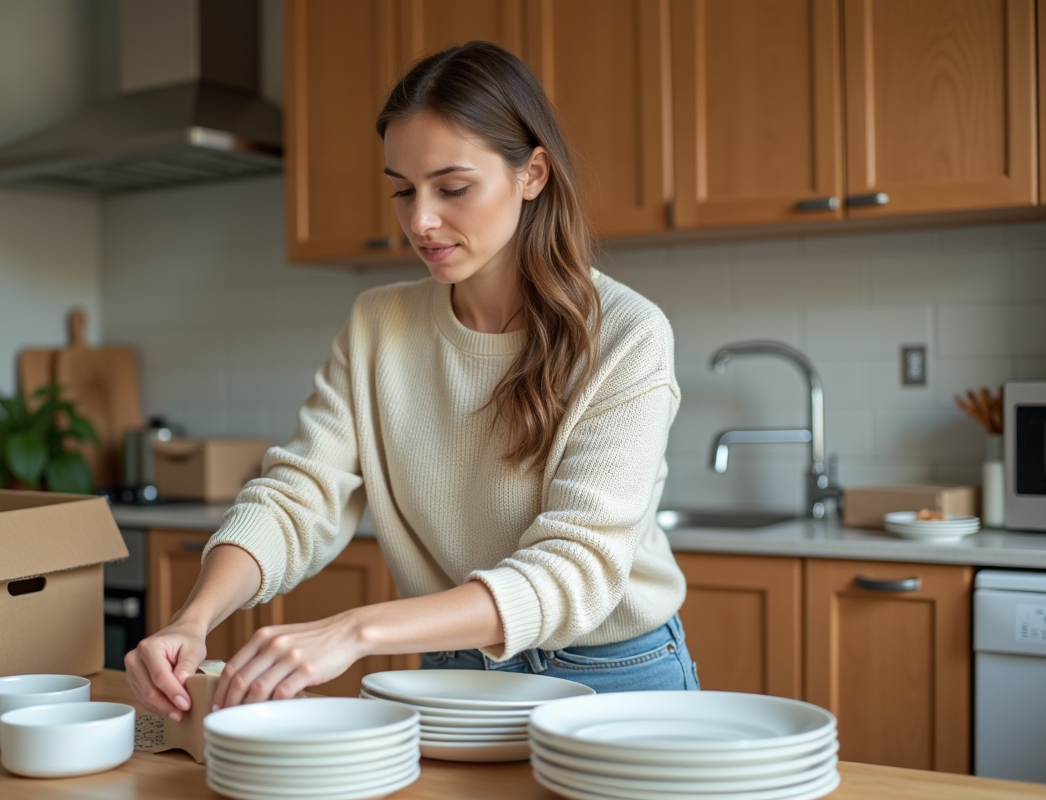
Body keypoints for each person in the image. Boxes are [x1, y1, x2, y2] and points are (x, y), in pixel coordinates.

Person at [125, 41, 698, 723]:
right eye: (402, 189)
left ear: (533, 174)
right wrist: (193, 619)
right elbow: (297, 496)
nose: (420, 220)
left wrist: (356, 631)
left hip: (613, 675)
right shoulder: (378, 325)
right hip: (452, 675)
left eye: (452, 188)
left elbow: (575, 570)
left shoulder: (627, 334)